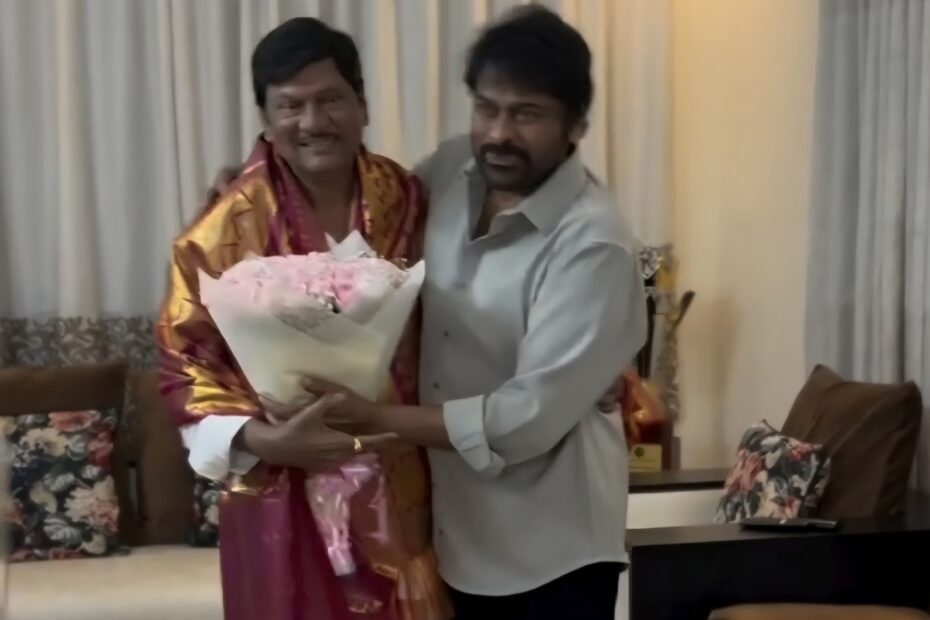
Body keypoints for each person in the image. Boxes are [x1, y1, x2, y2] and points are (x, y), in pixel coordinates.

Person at [203, 7, 644, 620]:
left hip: (548, 546)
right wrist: (258, 186)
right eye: (487, 108)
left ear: (578, 123)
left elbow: (525, 421)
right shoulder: (454, 171)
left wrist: (377, 419)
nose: (498, 133)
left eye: (527, 114)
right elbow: (366, 230)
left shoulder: (593, 244)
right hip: (446, 529)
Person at [155, 17, 449, 620]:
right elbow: (183, 370)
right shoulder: (218, 234)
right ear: (265, 116)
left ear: (363, 105)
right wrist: (270, 440)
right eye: (291, 106)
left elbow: (469, 310)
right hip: (279, 492)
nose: (314, 123)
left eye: (331, 100)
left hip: (402, 470)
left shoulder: (411, 200)